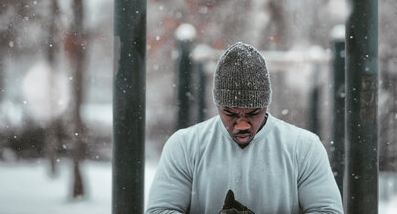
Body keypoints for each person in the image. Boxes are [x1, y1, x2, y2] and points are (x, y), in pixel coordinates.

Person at [146, 42, 343, 214]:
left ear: (266, 105)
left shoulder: (304, 148)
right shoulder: (184, 146)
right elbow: (160, 210)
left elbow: (327, 211)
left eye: (252, 113)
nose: (241, 125)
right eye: (230, 113)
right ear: (217, 106)